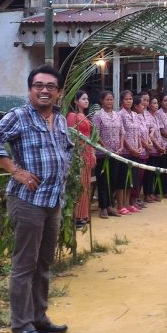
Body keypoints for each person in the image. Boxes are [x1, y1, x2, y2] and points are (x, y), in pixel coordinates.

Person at [0, 66, 72, 333]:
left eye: (50, 86)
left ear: (58, 92)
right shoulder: (19, 116)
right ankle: (21, 327)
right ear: (30, 89)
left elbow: (64, 151)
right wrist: (15, 170)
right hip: (28, 202)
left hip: (52, 201)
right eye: (38, 85)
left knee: (44, 262)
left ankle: (38, 317)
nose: (44, 90)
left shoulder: (59, 119)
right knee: (24, 265)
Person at [66, 90, 96, 229]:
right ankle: (76, 216)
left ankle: (83, 214)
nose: (86, 101)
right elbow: (71, 136)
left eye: (87, 99)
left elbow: (90, 136)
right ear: (76, 101)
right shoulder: (72, 116)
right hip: (78, 153)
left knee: (86, 185)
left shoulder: (86, 116)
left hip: (88, 152)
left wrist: (93, 153)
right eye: (83, 99)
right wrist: (77, 153)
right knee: (79, 185)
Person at [93, 91, 124, 218]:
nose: (110, 102)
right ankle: (103, 207)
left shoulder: (117, 115)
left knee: (113, 180)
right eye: (107, 99)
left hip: (116, 153)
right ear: (102, 101)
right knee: (103, 181)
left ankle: (110, 205)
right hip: (103, 154)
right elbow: (96, 134)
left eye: (111, 99)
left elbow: (122, 132)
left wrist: (121, 146)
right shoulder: (98, 115)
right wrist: (106, 148)